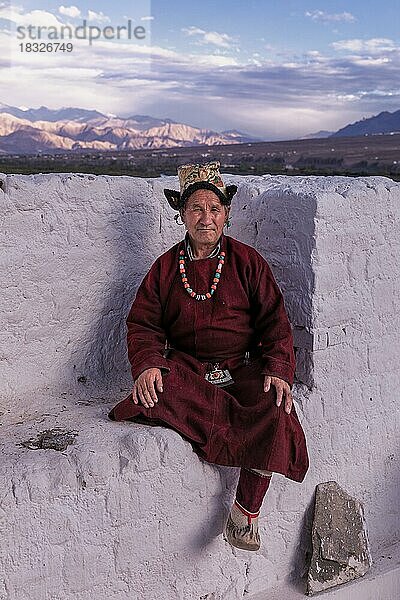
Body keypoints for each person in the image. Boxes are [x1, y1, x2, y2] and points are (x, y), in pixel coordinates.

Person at [108, 161, 309, 551]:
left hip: (241, 367)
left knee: (277, 405)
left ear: (226, 215)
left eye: (214, 209)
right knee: (158, 389)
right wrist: (148, 363)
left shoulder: (248, 262)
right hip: (191, 370)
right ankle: (219, 418)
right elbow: (143, 324)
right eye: (196, 208)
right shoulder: (166, 269)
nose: (205, 218)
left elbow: (275, 322)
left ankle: (245, 512)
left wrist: (280, 368)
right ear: (182, 215)